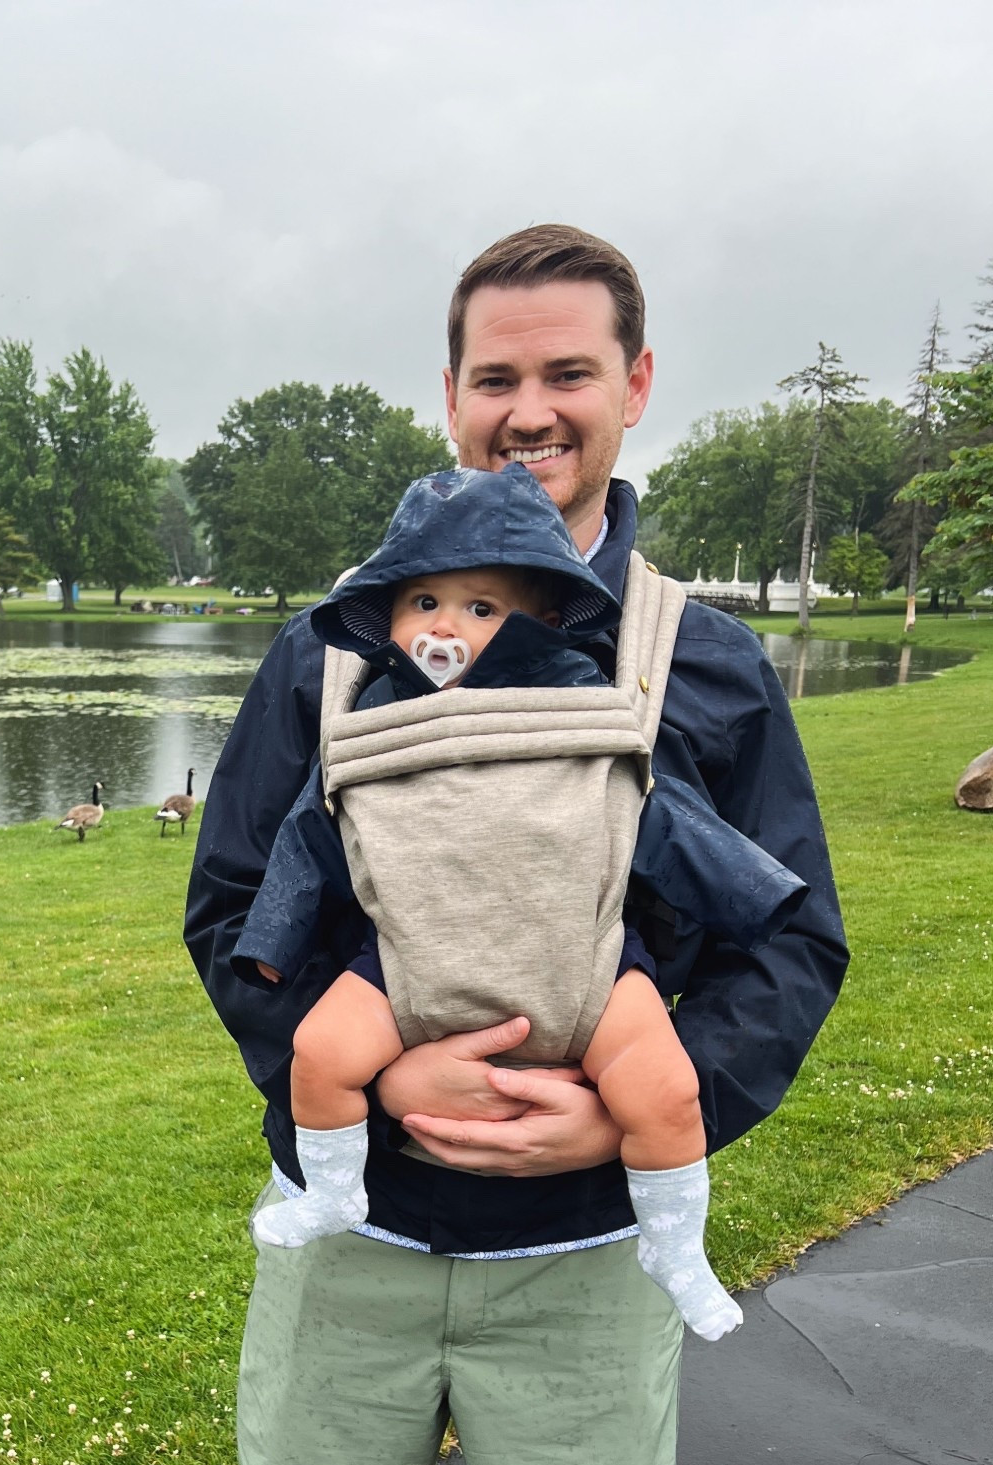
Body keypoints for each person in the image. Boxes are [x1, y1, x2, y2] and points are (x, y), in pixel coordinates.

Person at [185, 224, 848, 1465]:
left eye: (569, 373)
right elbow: (232, 908)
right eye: (496, 375)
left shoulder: (695, 664)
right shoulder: (329, 655)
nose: (530, 409)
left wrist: (637, 1107)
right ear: (453, 396)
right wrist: (372, 1073)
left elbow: (788, 936)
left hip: (581, 1254)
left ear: (636, 388)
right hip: (363, 1237)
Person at [232, 464, 808, 1345]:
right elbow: (307, 840)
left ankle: (675, 1247)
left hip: (589, 967)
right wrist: (270, 944)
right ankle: (332, 1191)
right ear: (385, 615)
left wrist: (753, 899)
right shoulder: (359, 714)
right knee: (317, 1052)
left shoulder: (592, 704)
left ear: (539, 618)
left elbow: (667, 819)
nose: (446, 627)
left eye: (481, 607)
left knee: (665, 1091)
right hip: (406, 968)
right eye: (423, 602)